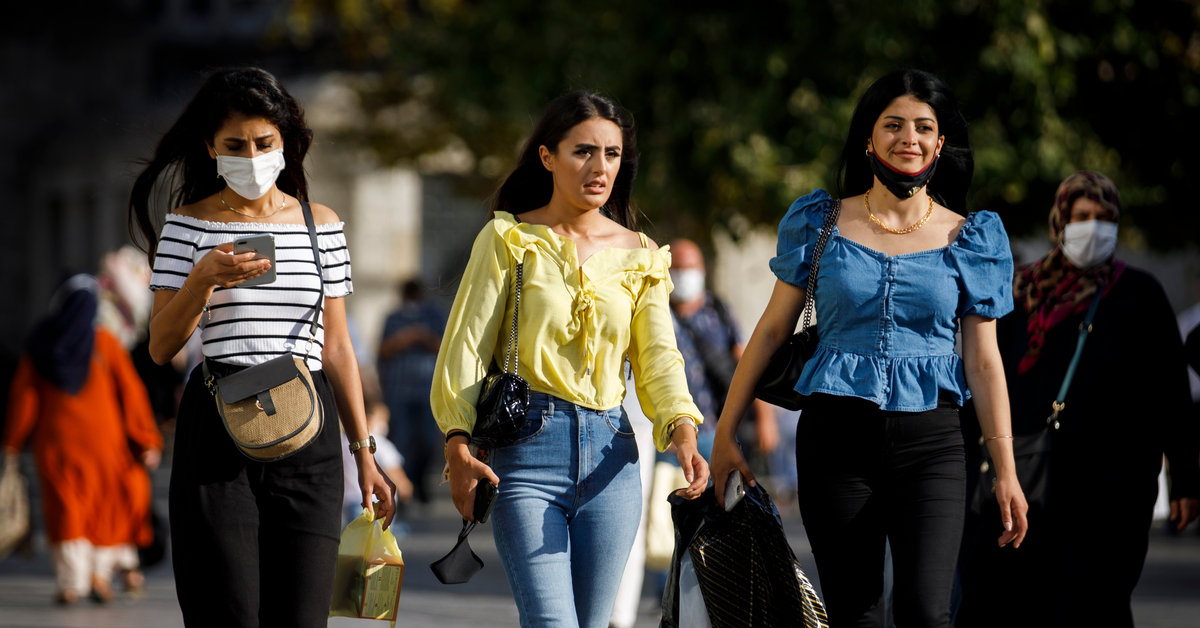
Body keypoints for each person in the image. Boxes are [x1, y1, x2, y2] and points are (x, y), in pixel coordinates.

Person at [709, 68, 1029, 628]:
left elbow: (983, 360)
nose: (910, 137)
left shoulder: (973, 236)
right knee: (855, 614)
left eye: (924, 127)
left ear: (940, 142)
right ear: (868, 138)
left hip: (933, 444)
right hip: (835, 440)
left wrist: (1005, 470)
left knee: (927, 613)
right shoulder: (819, 221)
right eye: (894, 124)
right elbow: (768, 333)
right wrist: (725, 432)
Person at [128, 67, 395, 627]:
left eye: (263, 143)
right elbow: (159, 347)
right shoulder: (187, 226)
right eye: (235, 145)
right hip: (216, 435)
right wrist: (202, 280)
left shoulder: (321, 225)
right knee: (227, 614)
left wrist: (364, 456)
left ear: (286, 142)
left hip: (309, 434)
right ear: (210, 147)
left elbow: (339, 348)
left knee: (302, 616)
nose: (251, 156)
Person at [431, 91, 709, 628]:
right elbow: (465, 348)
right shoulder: (508, 239)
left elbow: (658, 358)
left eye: (611, 153)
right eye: (583, 151)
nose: (600, 166)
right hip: (526, 455)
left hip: (613, 458)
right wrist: (457, 443)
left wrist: (682, 429)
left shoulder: (642, 256)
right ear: (547, 157)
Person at [955, 171, 1200, 628]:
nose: (1094, 226)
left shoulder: (1139, 294)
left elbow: (1171, 389)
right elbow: (987, 376)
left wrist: (1186, 478)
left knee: (1095, 604)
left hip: (1116, 485)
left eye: (1105, 217)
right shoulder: (1019, 291)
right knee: (1018, 601)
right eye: (1083, 216)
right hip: (1031, 477)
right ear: (1059, 222)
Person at [3, 275, 163, 604]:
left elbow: (25, 397)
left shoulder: (41, 342)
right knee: (103, 509)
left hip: (56, 445)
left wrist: (13, 442)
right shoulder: (103, 342)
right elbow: (131, 394)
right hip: (105, 444)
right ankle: (98, 576)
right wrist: (147, 439)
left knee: (66, 509)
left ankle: (71, 583)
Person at [668, 238, 779, 463]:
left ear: (702, 270)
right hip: (670, 438)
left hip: (716, 430)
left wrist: (765, 419)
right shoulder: (656, 312)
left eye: (690, 269)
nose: (684, 276)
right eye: (677, 269)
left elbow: (747, 362)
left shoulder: (719, 310)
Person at [378, 279, 445, 504]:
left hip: (428, 389)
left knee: (428, 439)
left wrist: (423, 336)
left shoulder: (434, 316)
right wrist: (404, 339)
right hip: (399, 389)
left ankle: (420, 480)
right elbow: (383, 350)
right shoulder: (393, 318)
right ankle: (405, 489)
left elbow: (446, 347)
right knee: (403, 441)